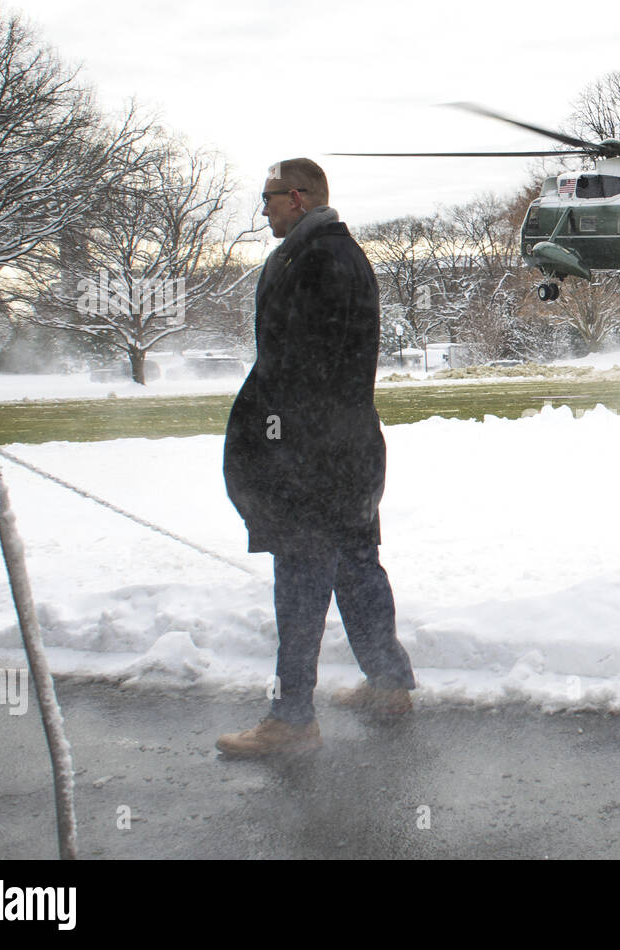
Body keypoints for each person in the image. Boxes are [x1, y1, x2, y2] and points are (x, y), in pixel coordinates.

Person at [217, 158, 415, 757]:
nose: (264, 208)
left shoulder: (321, 260)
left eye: (270, 197)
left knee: (300, 579)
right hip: (345, 450)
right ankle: (389, 685)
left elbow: (304, 368)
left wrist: (275, 441)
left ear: (298, 197)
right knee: (355, 566)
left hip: (314, 454)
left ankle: (291, 718)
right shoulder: (326, 253)